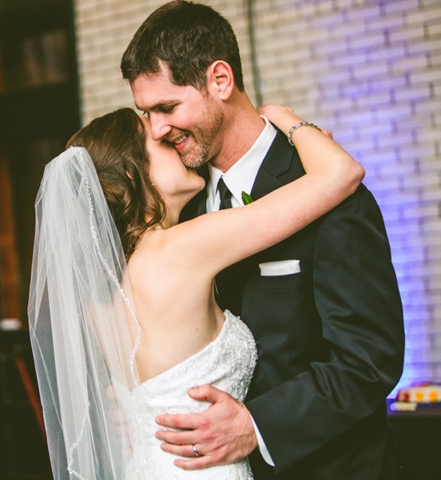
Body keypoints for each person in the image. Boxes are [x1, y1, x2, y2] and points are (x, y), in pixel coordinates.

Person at [119, 2, 404, 479]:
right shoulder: (178, 204)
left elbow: (369, 359)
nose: (157, 130)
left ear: (220, 80)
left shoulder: (323, 186)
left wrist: (257, 425)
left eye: (167, 107)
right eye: (146, 113)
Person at [30, 98, 366, 478]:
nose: (172, 139)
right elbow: (340, 173)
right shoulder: (179, 250)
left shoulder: (103, 289)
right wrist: (282, 116)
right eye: (159, 143)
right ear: (131, 175)